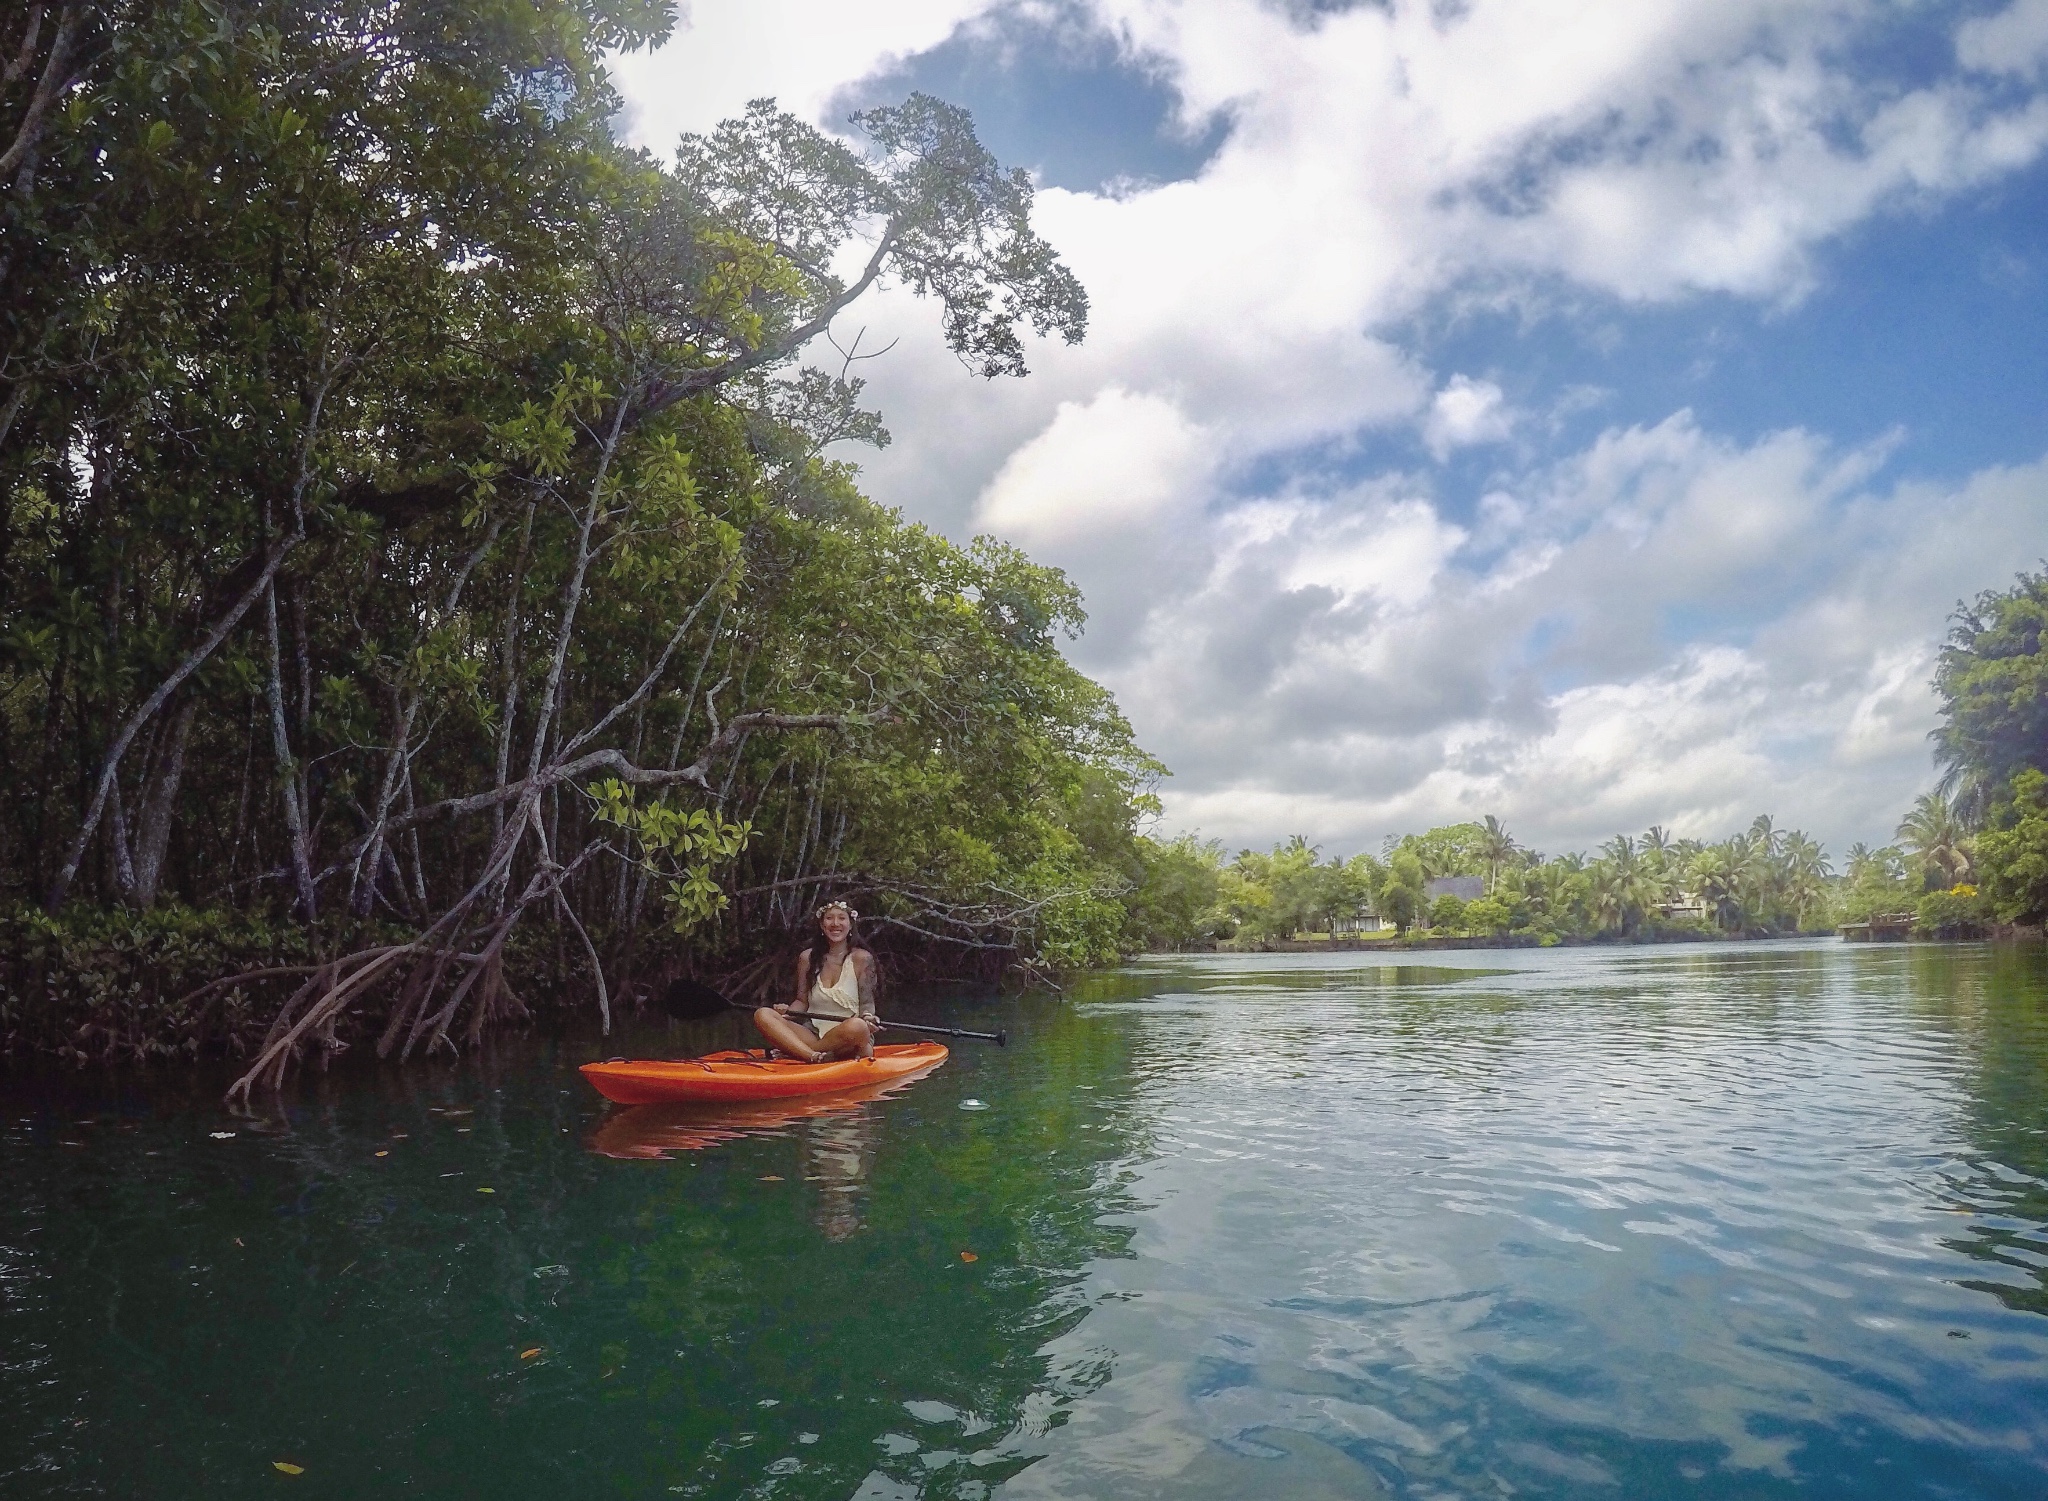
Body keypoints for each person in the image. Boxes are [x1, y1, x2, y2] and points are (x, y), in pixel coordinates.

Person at [753, 901, 882, 1062]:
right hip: (814, 1034)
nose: (835, 923)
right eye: (829, 918)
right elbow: (802, 1002)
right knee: (763, 1014)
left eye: (841, 918)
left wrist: (869, 1018)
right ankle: (813, 1056)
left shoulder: (862, 959)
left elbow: (867, 1005)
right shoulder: (807, 958)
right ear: (822, 925)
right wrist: (784, 1015)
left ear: (850, 925)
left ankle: (793, 1051)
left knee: (858, 1026)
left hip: (849, 1038)